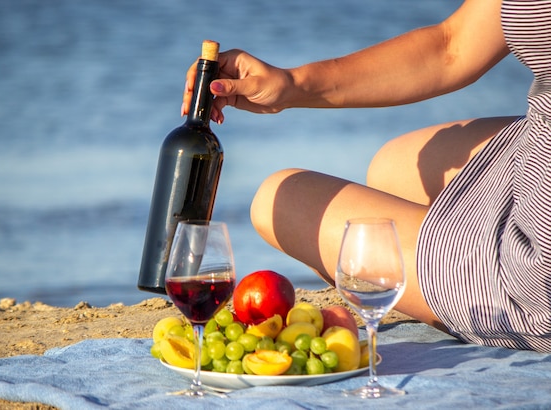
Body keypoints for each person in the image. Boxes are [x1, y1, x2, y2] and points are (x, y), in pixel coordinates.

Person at [182, 0, 551, 352]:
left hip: (539, 250)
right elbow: (452, 46)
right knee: (392, 166)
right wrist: (290, 85)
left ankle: (489, 298)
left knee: (278, 201)